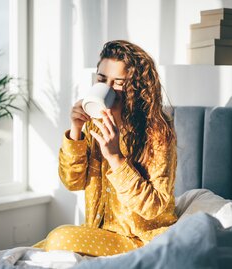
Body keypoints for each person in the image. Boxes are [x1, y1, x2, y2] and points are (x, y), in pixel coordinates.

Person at [33, 40, 178, 256]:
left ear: (135, 87)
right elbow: (72, 182)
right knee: (36, 249)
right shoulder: (94, 123)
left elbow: (154, 207)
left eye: (118, 82)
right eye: (101, 79)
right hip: (99, 233)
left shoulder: (157, 133)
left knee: (58, 238)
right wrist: (76, 129)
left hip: (140, 241)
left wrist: (115, 158)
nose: (107, 88)